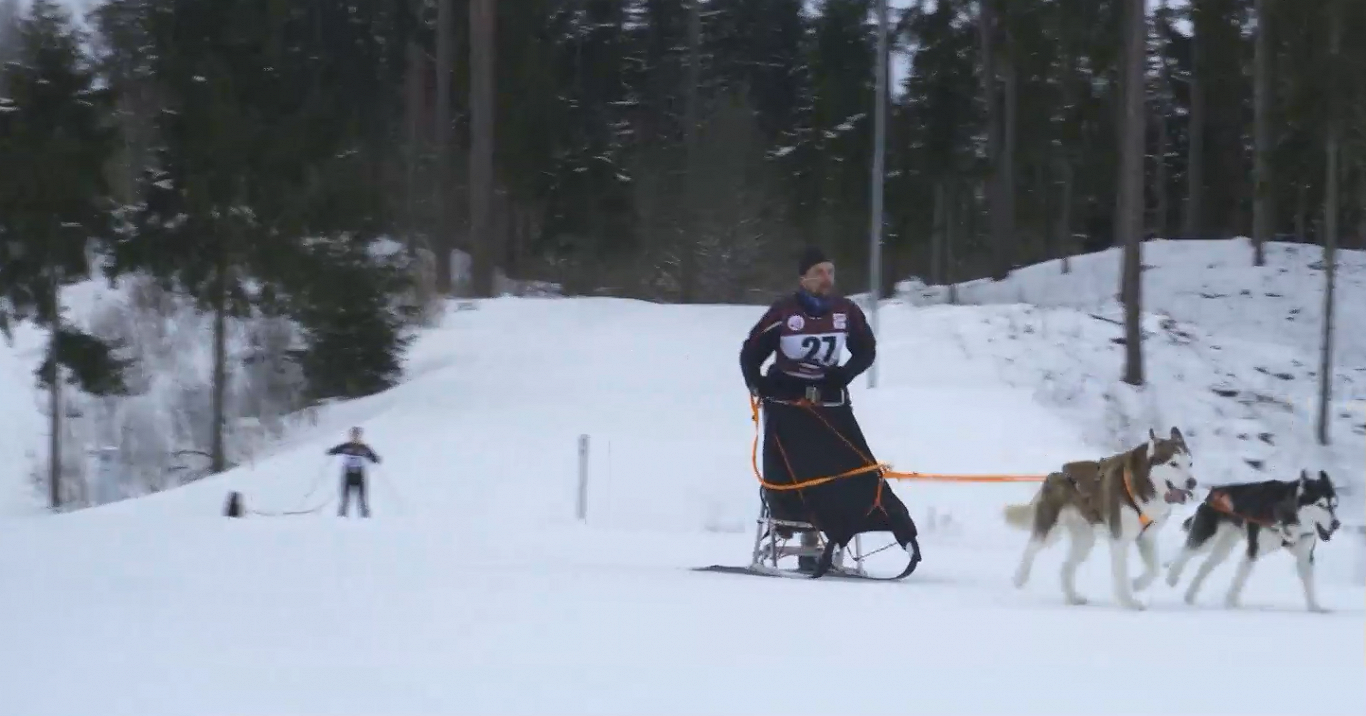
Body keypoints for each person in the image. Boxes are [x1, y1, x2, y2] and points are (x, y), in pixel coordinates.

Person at [738, 247, 921, 575]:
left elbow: (866, 350)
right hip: (788, 403)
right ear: (803, 277)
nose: (826, 279)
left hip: (830, 403)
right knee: (794, 473)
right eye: (819, 272)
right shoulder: (785, 312)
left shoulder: (845, 311)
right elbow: (751, 352)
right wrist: (758, 385)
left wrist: (845, 373)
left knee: (851, 470)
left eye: (830, 273)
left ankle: (872, 525)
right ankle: (796, 533)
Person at [326, 426, 381, 517]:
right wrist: (330, 452)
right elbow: (334, 450)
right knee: (345, 496)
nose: (355, 437)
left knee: (362, 496)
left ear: (360, 436)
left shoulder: (364, 448)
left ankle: (365, 514)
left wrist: (375, 459)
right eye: (354, 435)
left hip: (359, 474)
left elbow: (374, 457)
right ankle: (342, 514)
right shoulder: (345, 446)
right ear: (351, 436)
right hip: (348, 473)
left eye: (357, 435)